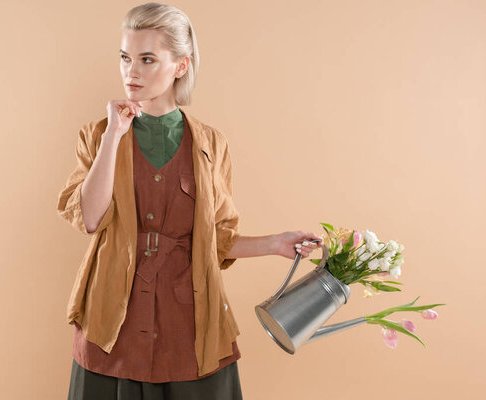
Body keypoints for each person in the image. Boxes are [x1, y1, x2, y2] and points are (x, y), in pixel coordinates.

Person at [58, 2, 323, 399]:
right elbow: (91, 218)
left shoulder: (212, 144)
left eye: (148, 59)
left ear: (180, 65)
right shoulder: (97, 136)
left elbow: (216, 237)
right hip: (113, 321)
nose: (132, 71)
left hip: (191, 319)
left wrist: (274, 244)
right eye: (126, 57)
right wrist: (114, 134)